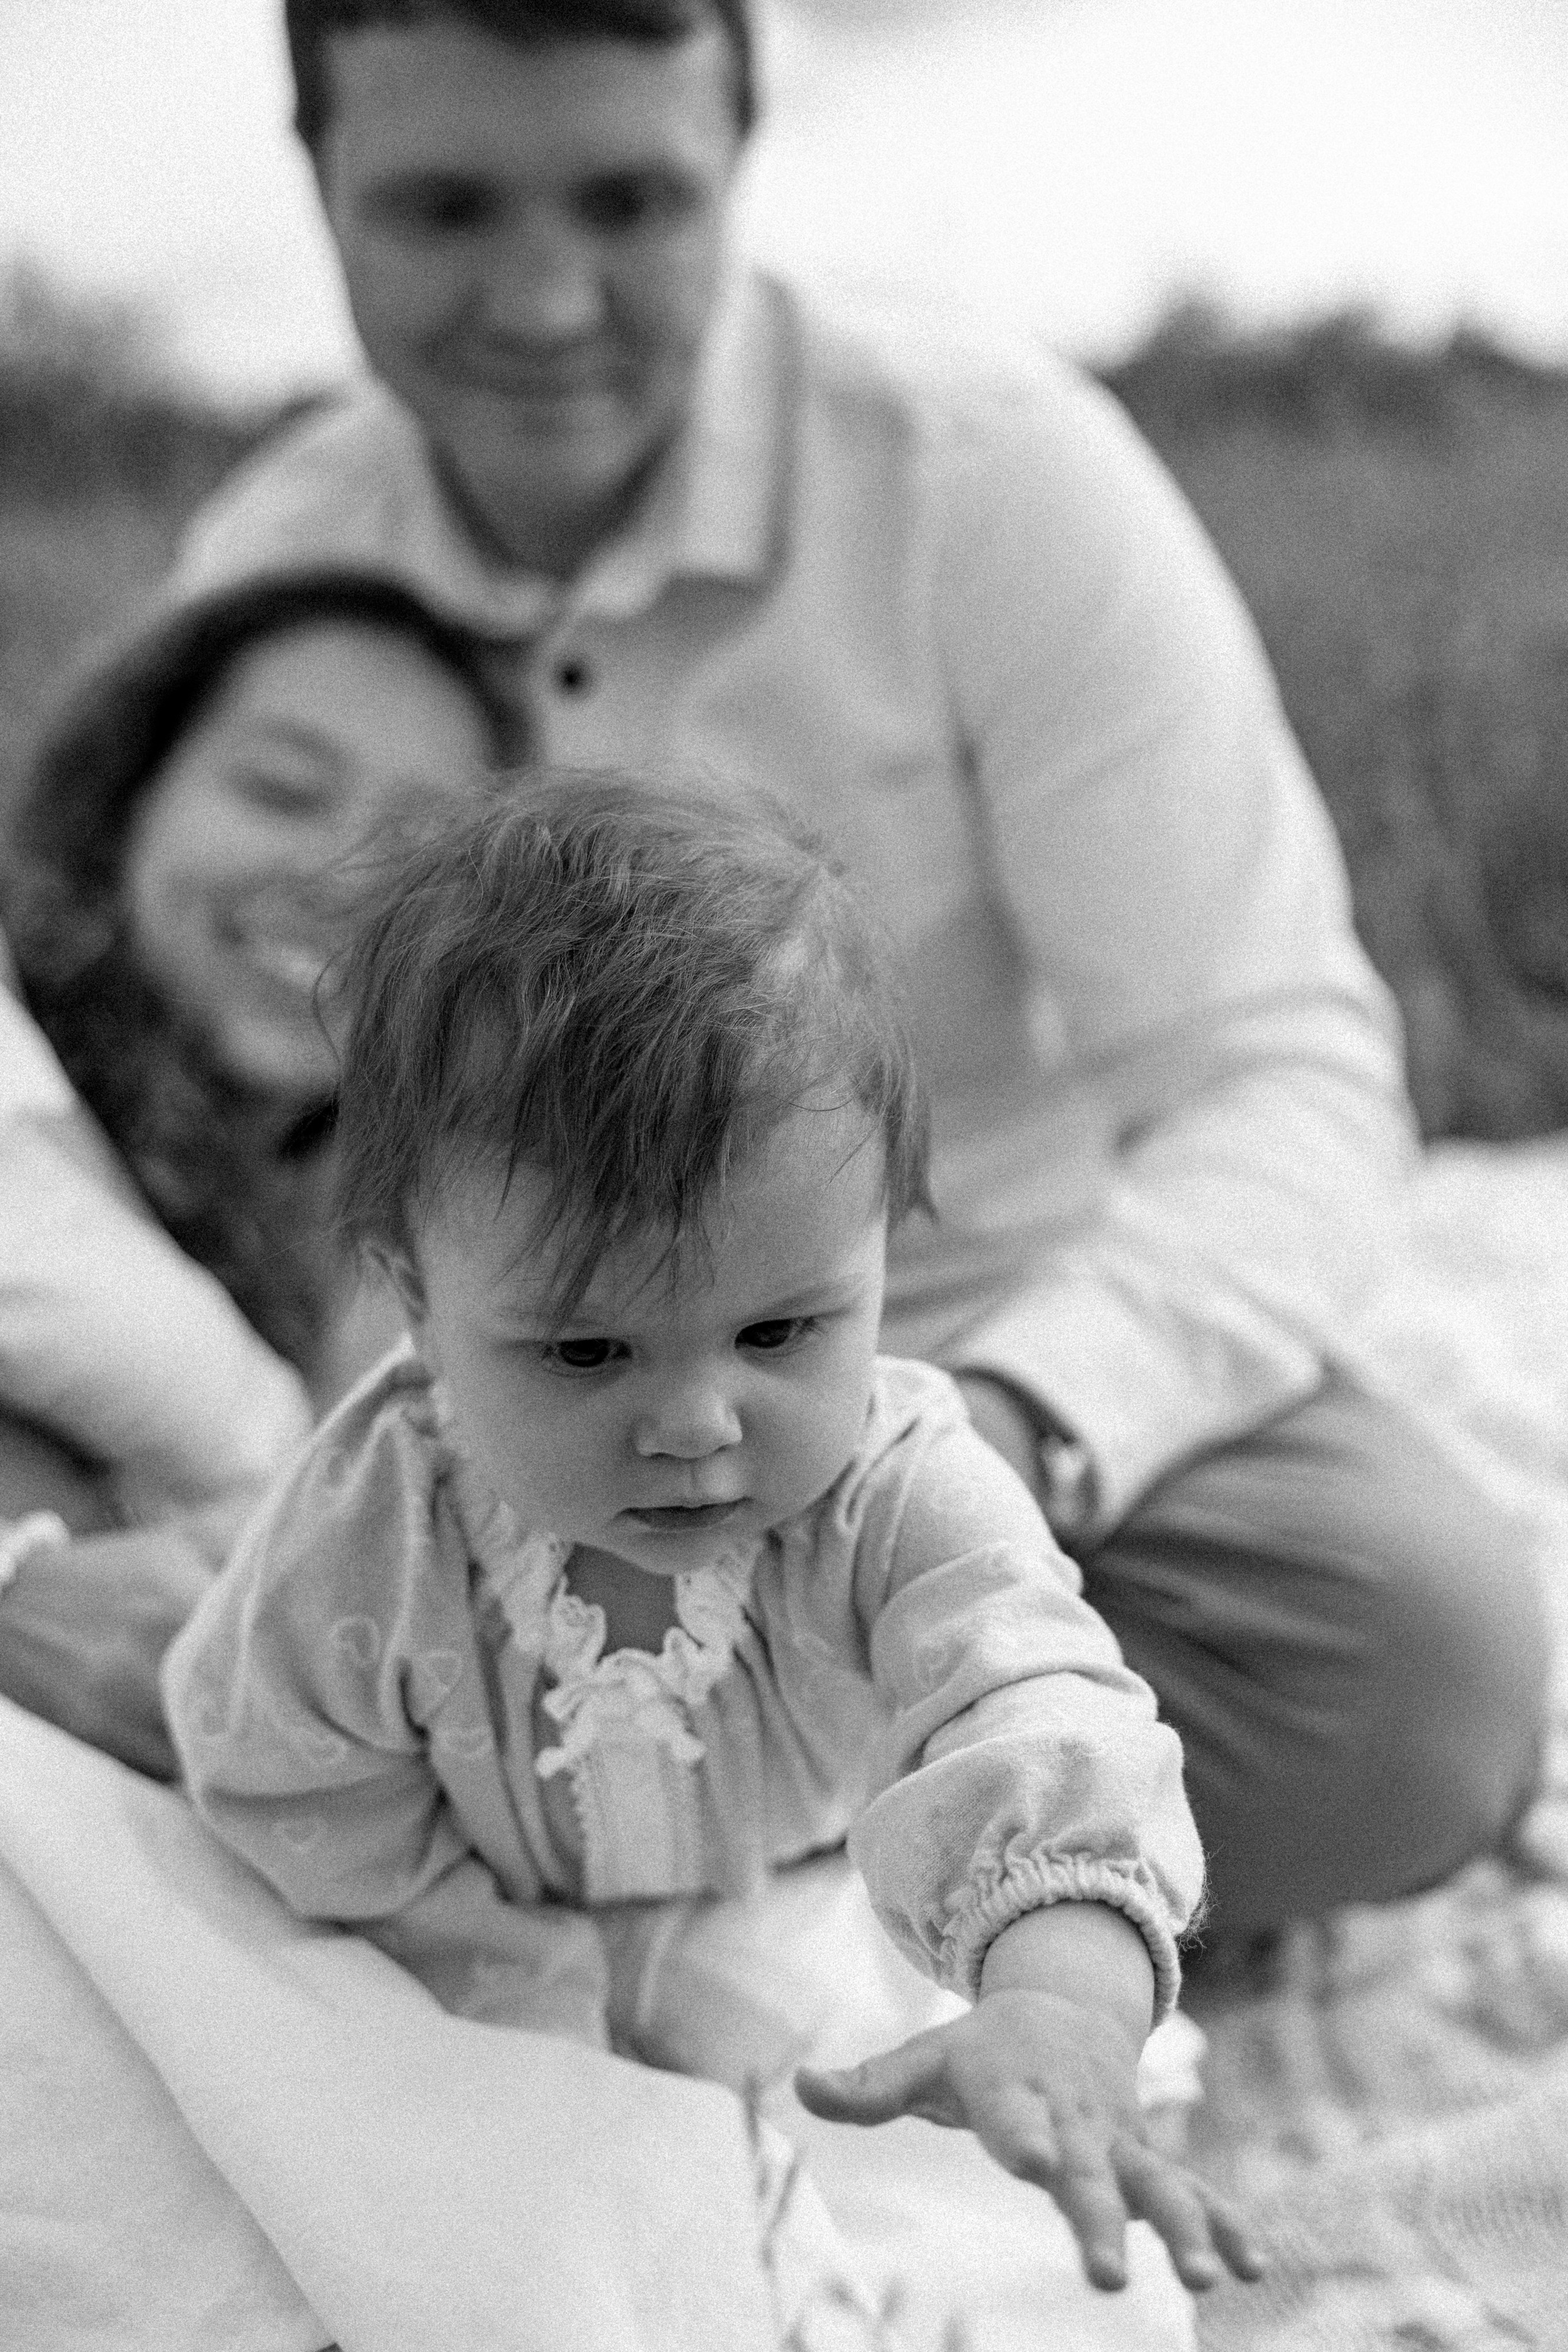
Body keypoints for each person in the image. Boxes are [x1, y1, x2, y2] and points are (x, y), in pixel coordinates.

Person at [166, 0, 1550, 1939]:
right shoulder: (267, 565)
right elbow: (240, 1117)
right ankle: (628, 1843)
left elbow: (1279, 1071)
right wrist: (298, 1485)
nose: (547, 303)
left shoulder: (992, 475)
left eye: (630, 202)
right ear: (317, 182)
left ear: (739, 147)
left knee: (1428, 1686)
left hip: (966, 1336)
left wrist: (1009, 1423)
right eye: (445, 210)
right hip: (476, 1399)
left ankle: (760, 1859)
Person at [163, 775, 1259, 2299]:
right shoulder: (371, 1532)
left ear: (882, 1245)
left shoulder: (894, 1488)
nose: (694, 1424)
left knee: (940, 2242)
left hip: (812, 1899)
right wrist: (522, 1991)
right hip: (464, 1951)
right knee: (290, 2193)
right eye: (585, 1353)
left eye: (779, 1329)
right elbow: (284, 1775)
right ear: (414, 1297)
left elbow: (1034, 1709)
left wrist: (1056, 2000)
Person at [0, 569, 510, 1773]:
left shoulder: (414, 1263)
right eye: (282, 789)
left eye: (424, 853)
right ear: (124, 795)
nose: (346, 875)